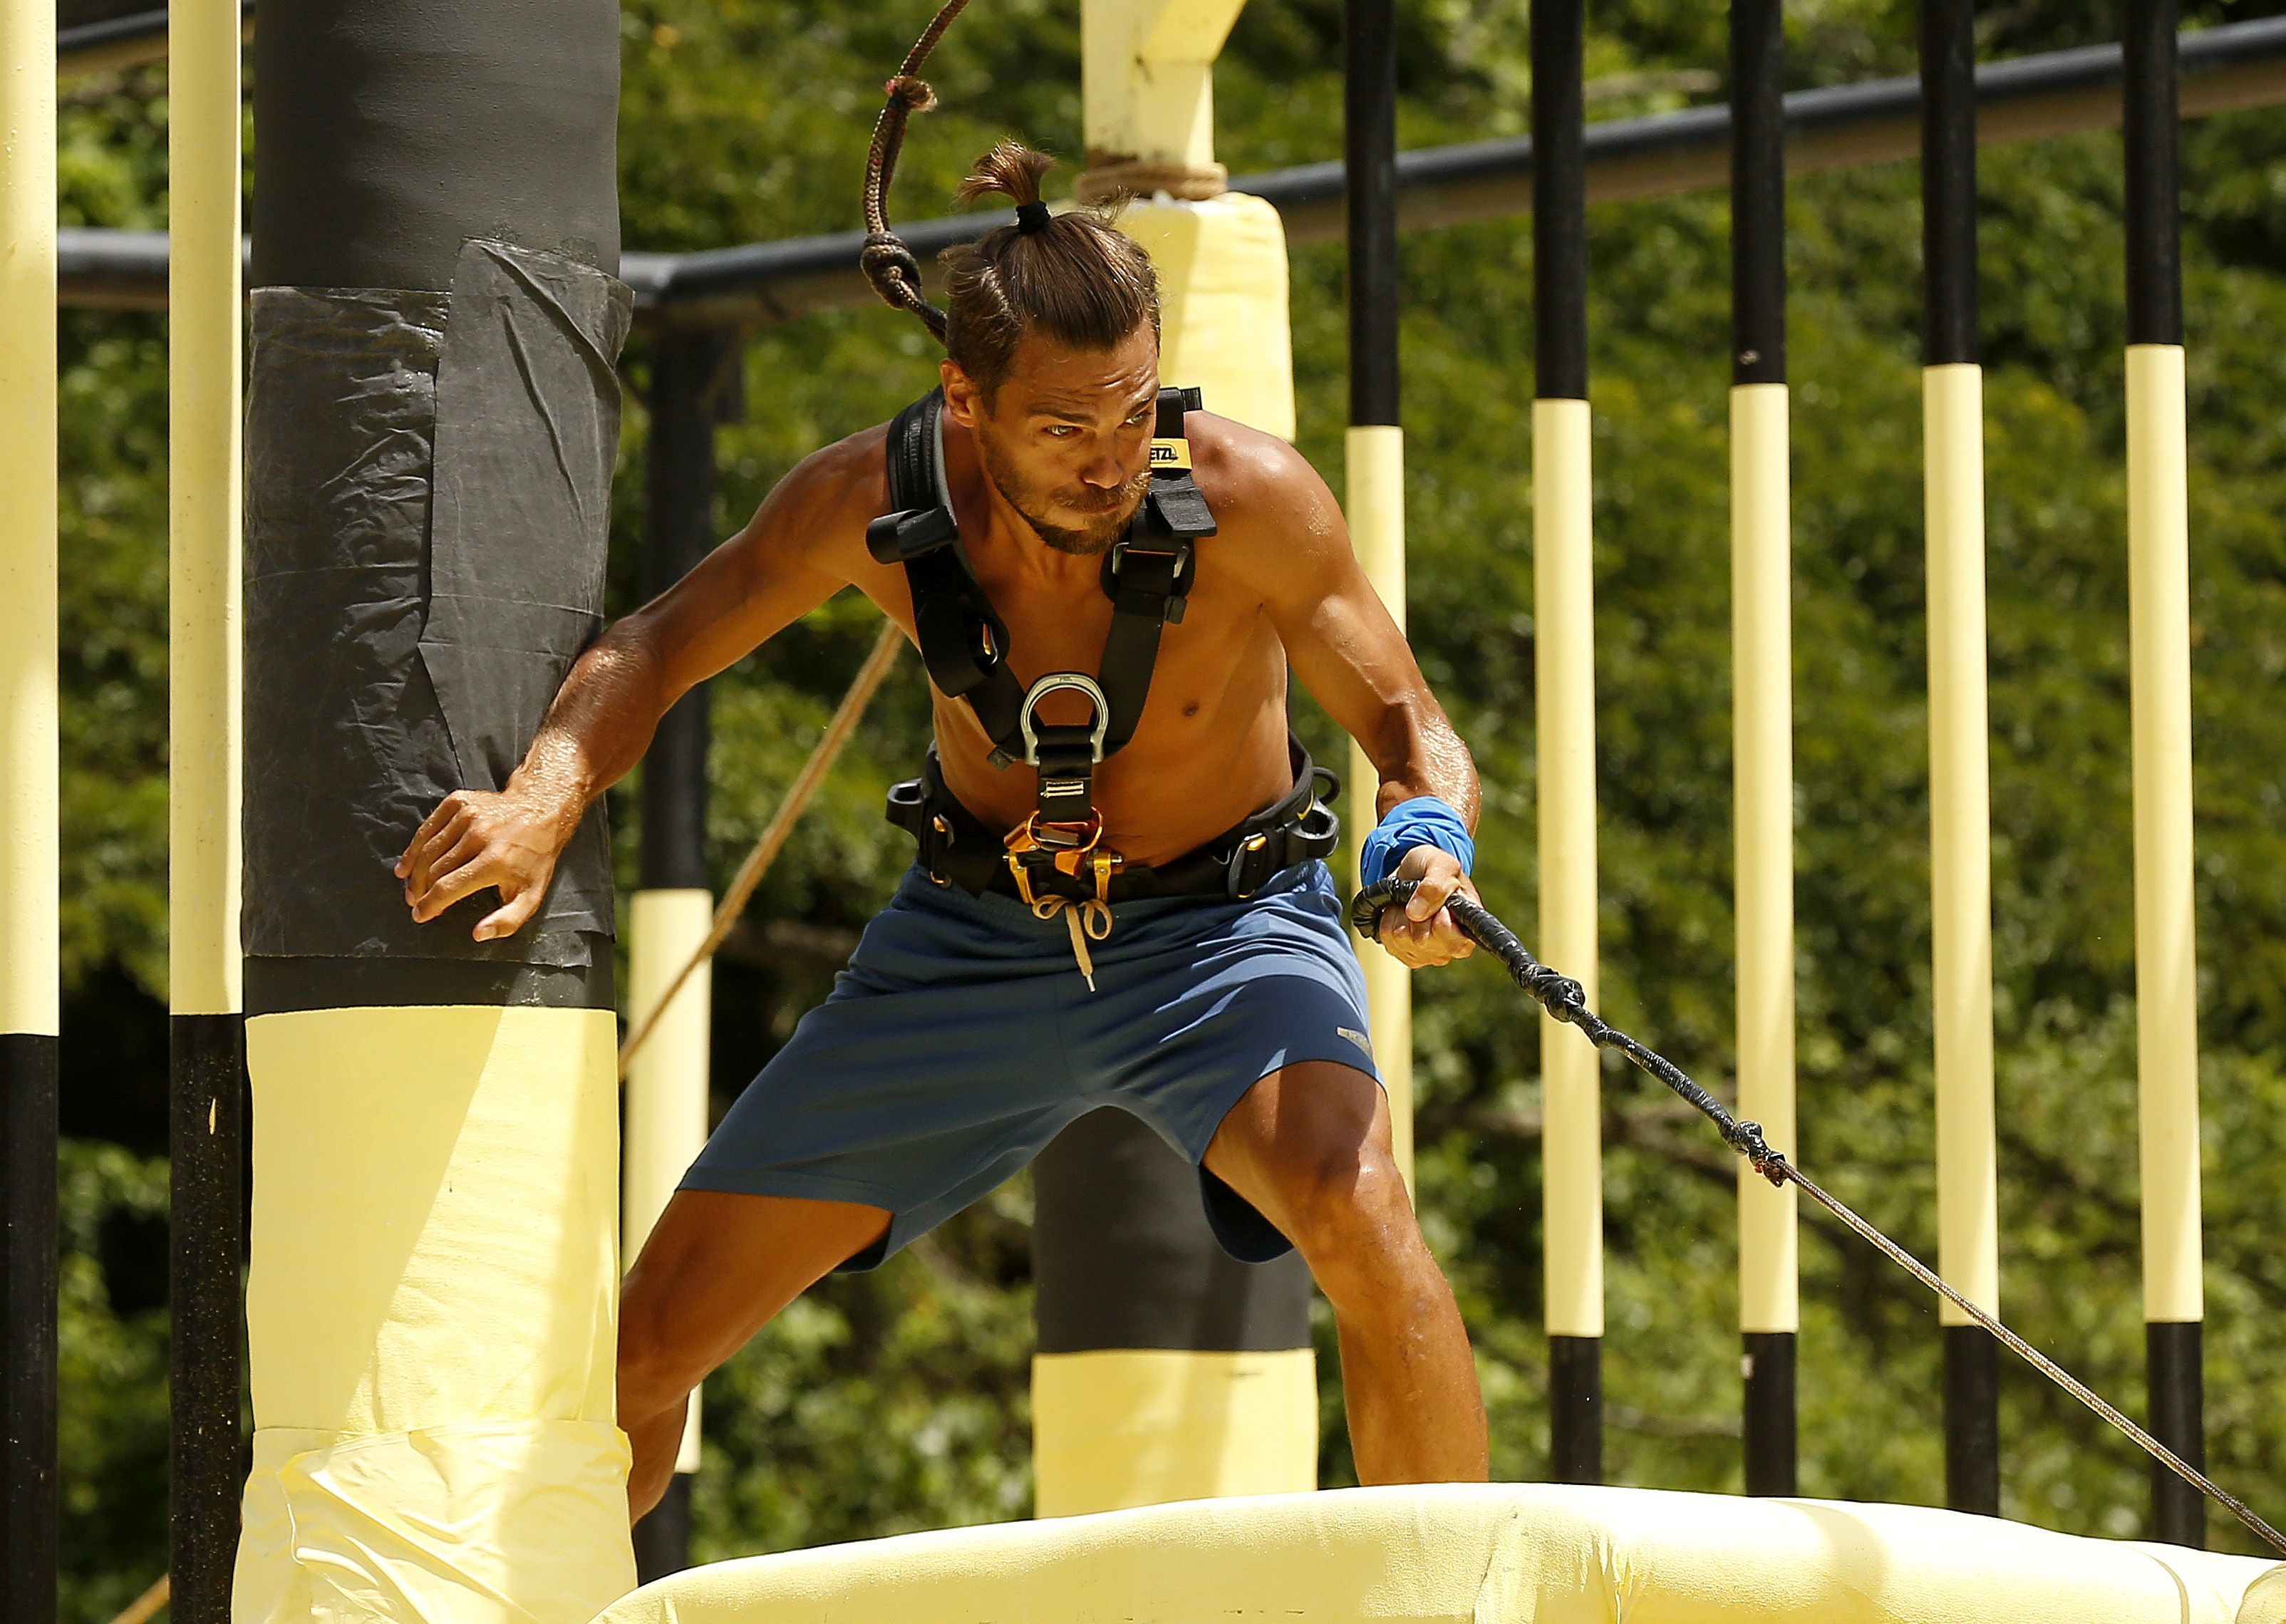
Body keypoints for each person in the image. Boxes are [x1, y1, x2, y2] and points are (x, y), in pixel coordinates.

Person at [393, 141, 1493, 1519]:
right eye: (1064, 430)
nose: (1110, 461)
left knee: (1362, 1209)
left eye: (1132, 411)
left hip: (1225, 934)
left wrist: (1427, 841)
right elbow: (658, 641)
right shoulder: (866, 500)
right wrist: (543, 796)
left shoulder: (1251, 497)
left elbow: (1404, 719)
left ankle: (1451, 1599)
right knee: (642, 1350)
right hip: (968, 950)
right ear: (965, 398)